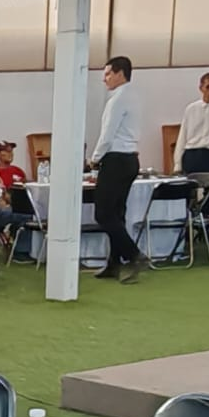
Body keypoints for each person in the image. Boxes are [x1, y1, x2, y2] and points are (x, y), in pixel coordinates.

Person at [91, 56, 148, 283]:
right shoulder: (135, 97)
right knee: (117, 213)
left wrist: (95, 158)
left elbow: (107, 134)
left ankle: (134, 254)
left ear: (120, 73)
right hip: (131, 159)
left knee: (103, 214)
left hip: (114, 159)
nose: (104, 79)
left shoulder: (117, 100)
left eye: (107, 73)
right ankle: (114, 263)